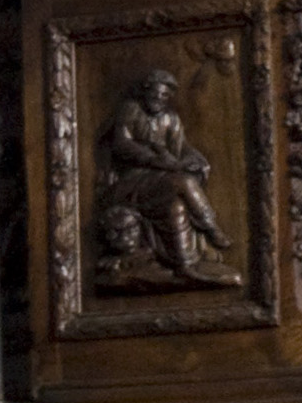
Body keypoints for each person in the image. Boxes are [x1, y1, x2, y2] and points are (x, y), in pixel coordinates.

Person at [93, 68, 234, 287]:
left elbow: (181, 148)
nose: (158, 99)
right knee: (185, 182)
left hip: (161, 181)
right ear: (146, 92)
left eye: (164, 96)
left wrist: (196, 160)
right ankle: (210, 226)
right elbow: (122, 144)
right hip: (132, 182)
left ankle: (185, 265)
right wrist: (153, 159)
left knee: (176, 206)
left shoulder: (171, 118)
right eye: (155, 94)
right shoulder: (131, 109)